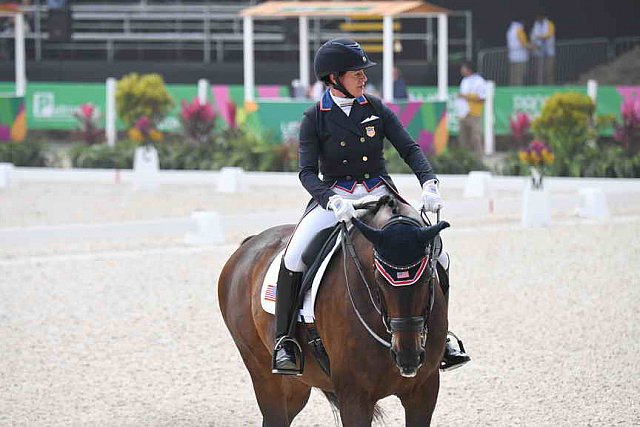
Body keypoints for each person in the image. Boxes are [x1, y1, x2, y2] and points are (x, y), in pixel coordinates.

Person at [272, 38, 470, 375]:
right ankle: (285, 341)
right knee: (294, 256)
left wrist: (429, 182)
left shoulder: (375, 108)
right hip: (336, 197)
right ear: (333, 78)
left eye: (364, 73)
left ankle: (443, 335)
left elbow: (409, 148)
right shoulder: (314, 117)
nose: (363, 78)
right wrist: (331, 200)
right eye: (356, 73)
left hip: (381, 193)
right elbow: (306, 172)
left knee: (438, 251)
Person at [456, 61, 487, 158]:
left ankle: (479, 157)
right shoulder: (464, 80)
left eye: (463, 68)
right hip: (463, 113)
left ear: (469, 69)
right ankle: (465, 158)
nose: (461, 70)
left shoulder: (479, 81)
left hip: (474, 113)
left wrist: (466, 97)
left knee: (475, 137)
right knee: (463, 138)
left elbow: (482, 98)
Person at [530, 12, 556, 85]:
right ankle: (539, 86)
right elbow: (533, 36)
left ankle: (549, 86)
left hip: (549, 52)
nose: (538, 18)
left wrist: (538, 37)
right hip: (539, 52)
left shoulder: (549, 24)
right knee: (539, 72)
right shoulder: (536, 25)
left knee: (549, 71)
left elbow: (549, 35)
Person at [506, 18, 532, 86]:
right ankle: (518, 92)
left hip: (512, 57)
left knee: (513, 77)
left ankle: (511, 92)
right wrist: (534, 47)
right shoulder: (519, 30)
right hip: (520, 57)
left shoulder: (510, 30)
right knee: (519, 76)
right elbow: (524, 44)